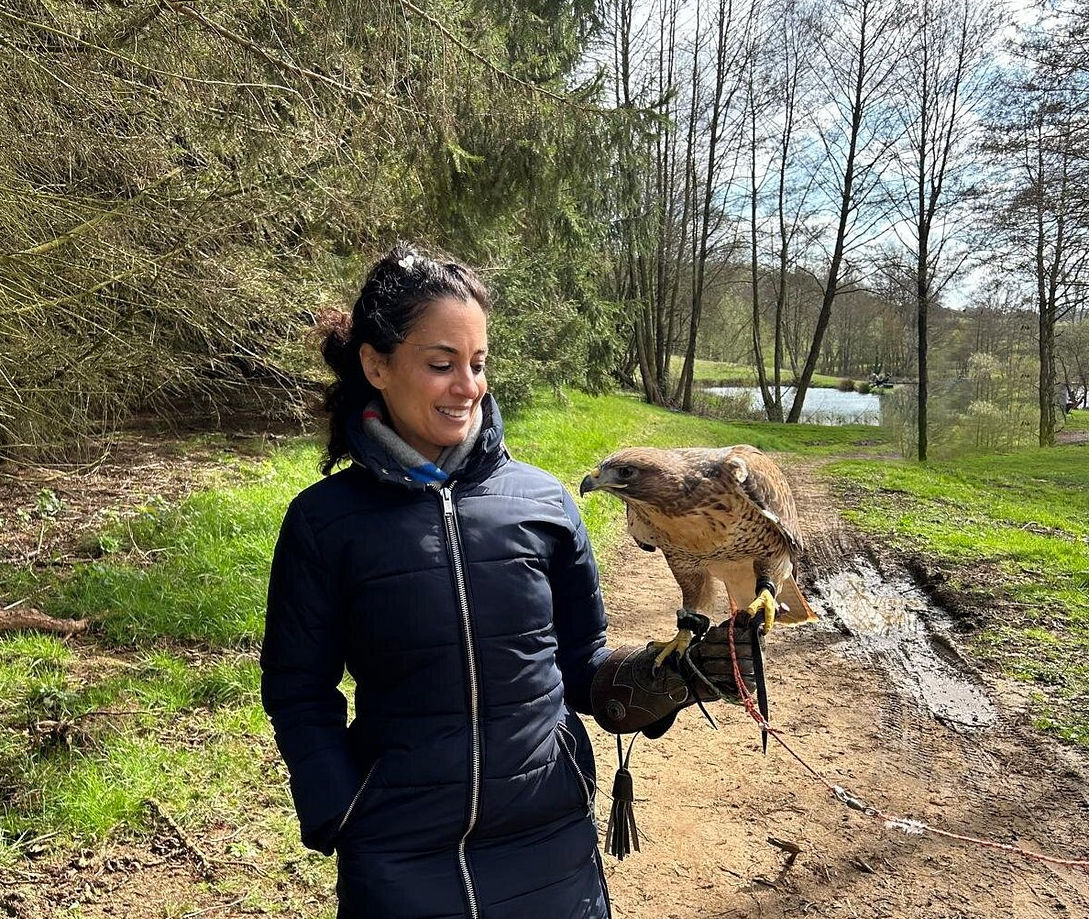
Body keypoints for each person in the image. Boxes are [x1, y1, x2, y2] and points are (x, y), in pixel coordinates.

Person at [260, 244, 757, 919]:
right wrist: (338, 809)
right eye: (441, 364)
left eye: (478, 363)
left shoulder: (545, 504)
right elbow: (297, 688)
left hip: (548, 844)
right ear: (376, 364)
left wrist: (662, 677)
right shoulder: (324, 523)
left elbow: (577, 662)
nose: (467, 385)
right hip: (397, 856)